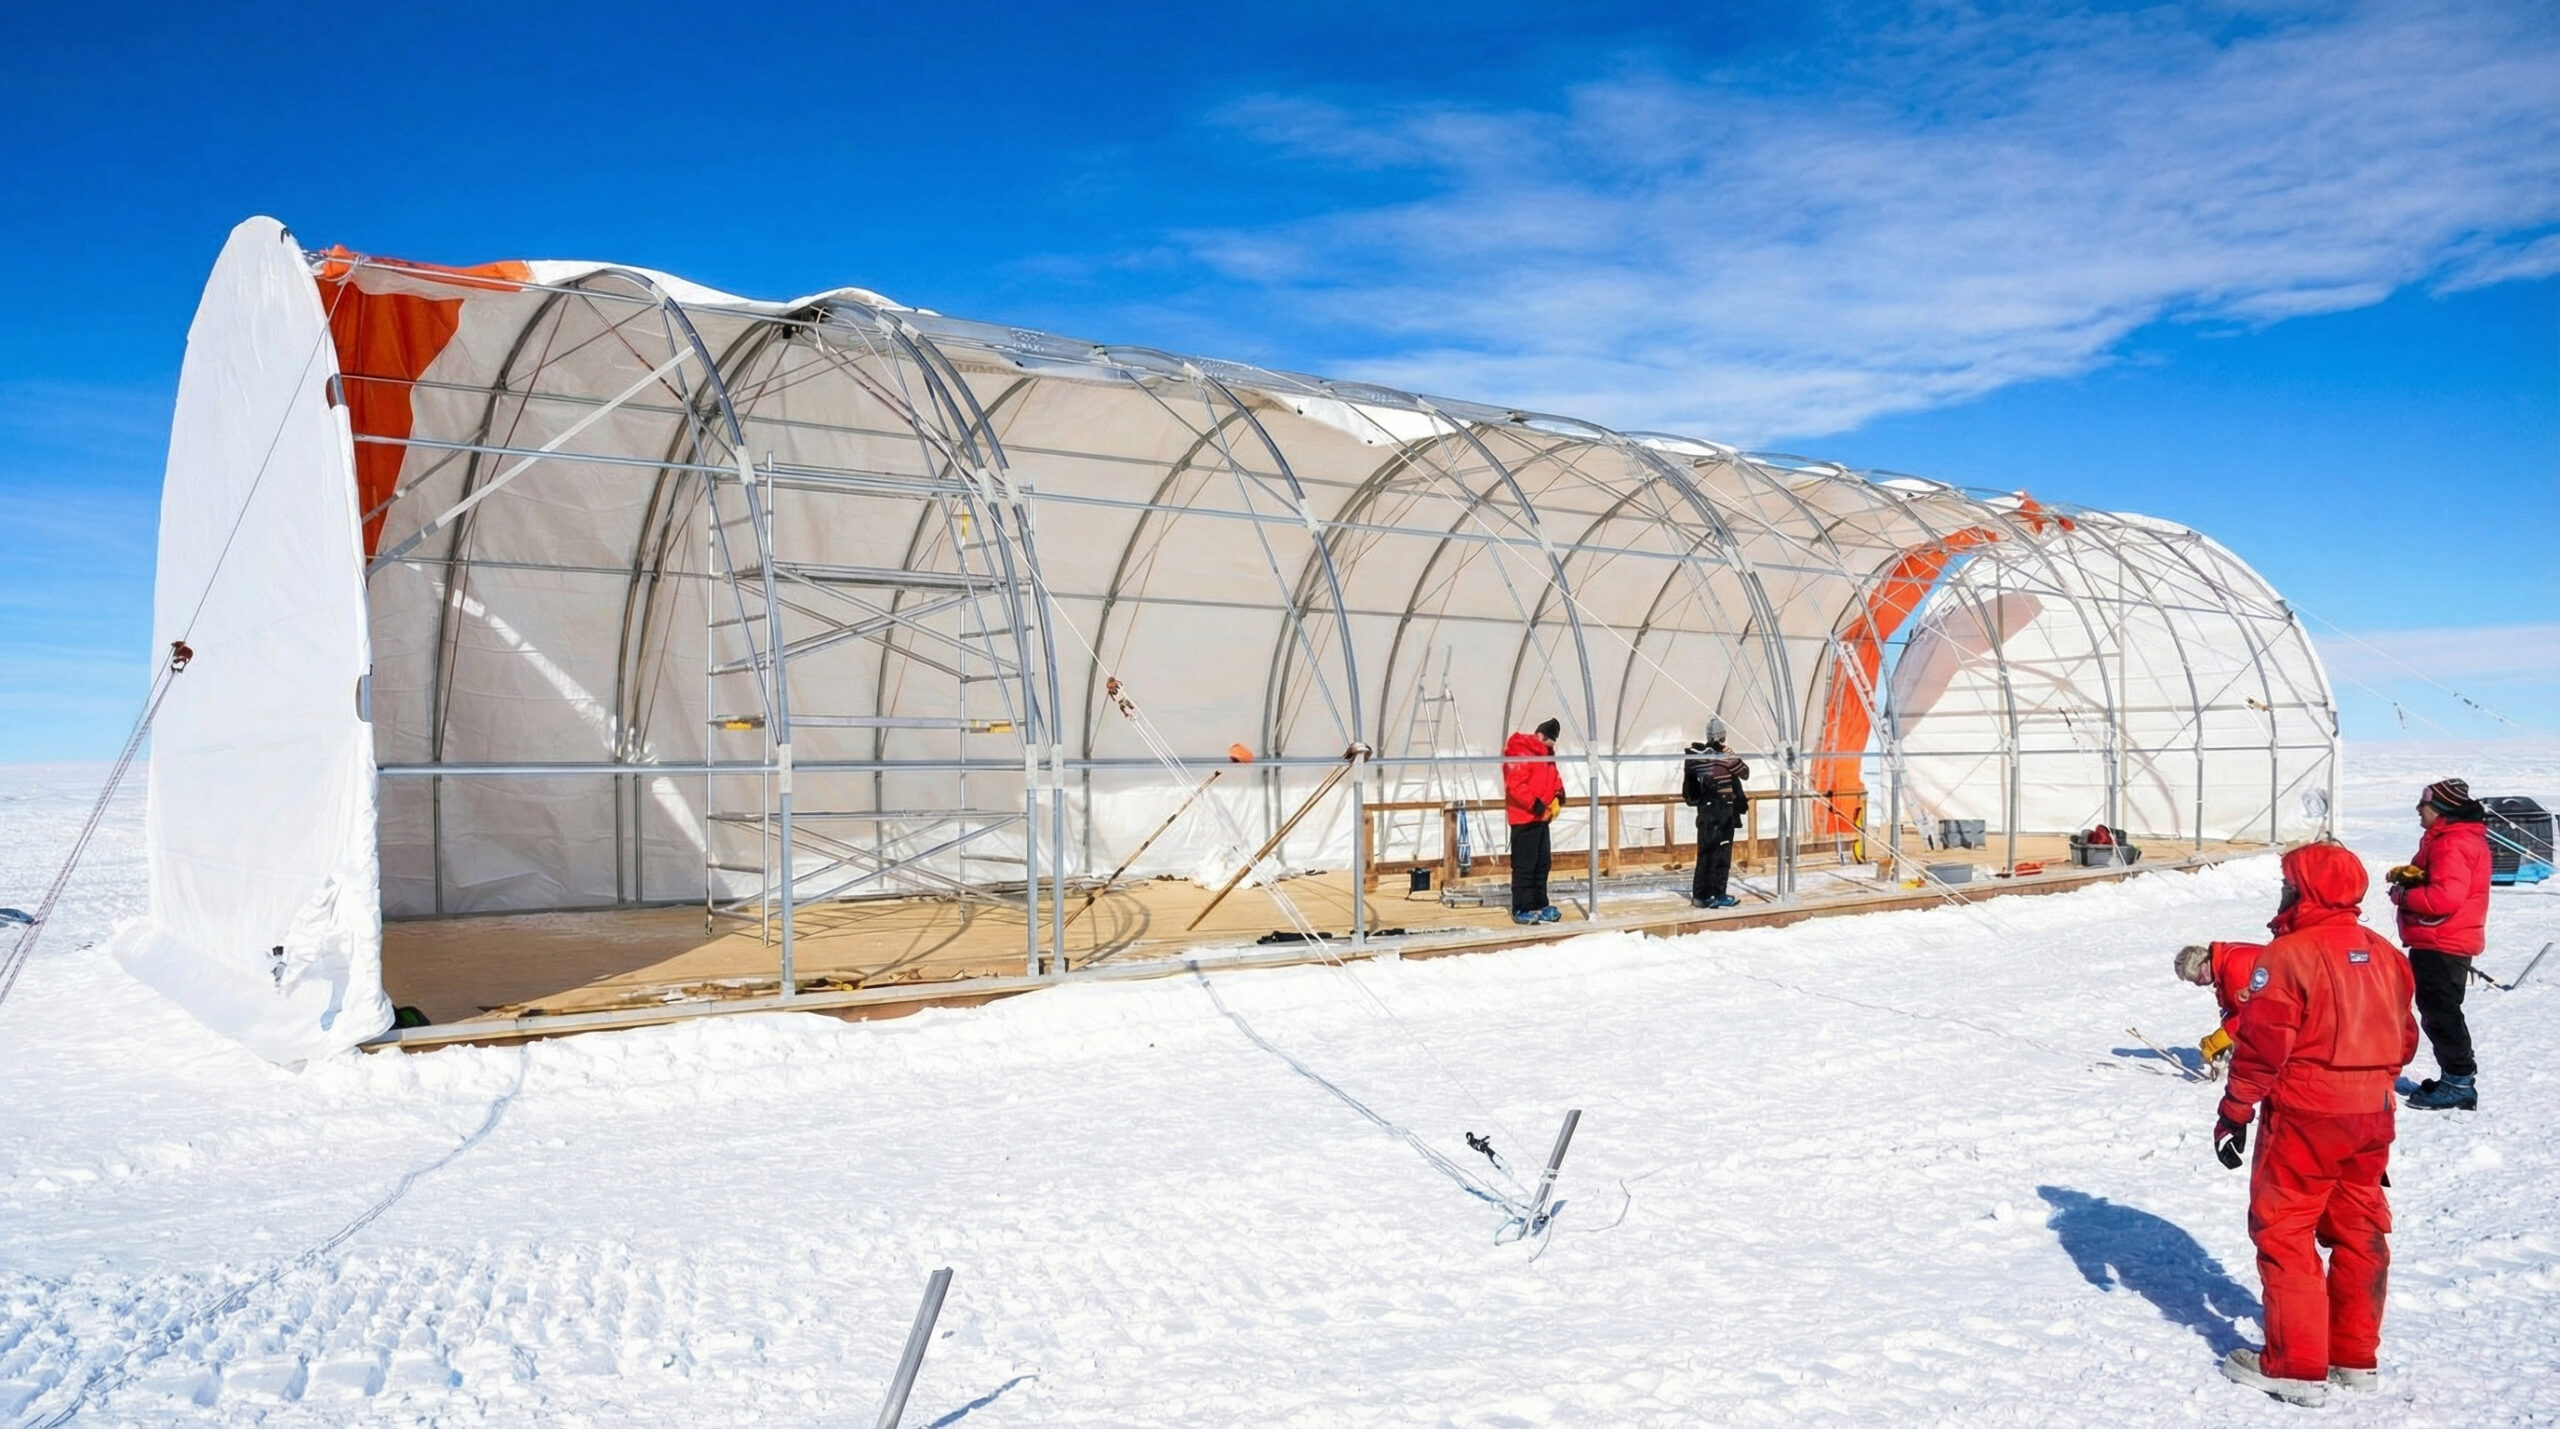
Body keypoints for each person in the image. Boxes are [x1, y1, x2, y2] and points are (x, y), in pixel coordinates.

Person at [2210, 841, 2417, 1408]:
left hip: (2306, 1116)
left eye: (2287, 883)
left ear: (2303, 891)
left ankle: (2295, 1365)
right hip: (2372, 1116)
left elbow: (2260, 1048)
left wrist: (2235, 1110)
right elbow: (2406, 1040)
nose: (2281, 893)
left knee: (2285, 1229)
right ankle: (2354, 1358)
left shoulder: (2288, 956)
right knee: (2358, 1228)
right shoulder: (2386, 954)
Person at [2389, 778, 2491, 1112]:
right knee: (2439, 1011)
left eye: (2425, 804)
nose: (2419, 809)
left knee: (2441, 1013)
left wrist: (2404, 895)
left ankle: (2458, 1082)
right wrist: (2415, 876)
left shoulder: (2452, 843)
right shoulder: (2450, 840)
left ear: (2442, 809)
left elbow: (2445, 897)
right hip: (2442, 940)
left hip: (2443, 942)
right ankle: (2455, 1077)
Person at [1680, 718, 1750, 909]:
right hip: (1715, 809)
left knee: (1714, 852)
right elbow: (1743, 772)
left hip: (1716, 810)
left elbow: (1742, 773)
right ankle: (1709, 894)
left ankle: (1710, 894)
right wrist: (1726, 756)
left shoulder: (1709, 758)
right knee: (1714, 852)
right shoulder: (1711, 758)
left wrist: (1728, 757)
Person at [1503, 718, 1566, 925]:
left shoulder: (1547, 755)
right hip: (1525, 819)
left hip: (1542, 818)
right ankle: (1522, 906)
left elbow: (1553, 777)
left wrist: (1559, 793)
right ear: (1541, 735)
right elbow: (1516, 785)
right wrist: (1536, 804)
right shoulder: (1521, 752)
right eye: (1550, 741)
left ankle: (1540, 903)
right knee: (1525, 865)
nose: (1552, 747)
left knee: (1542, 864)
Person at [2173, 938, 2262, 1076]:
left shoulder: (2233, 970)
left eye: (2196, 978)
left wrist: (2221, 1039)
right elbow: (2233, 1007)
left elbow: (2248, 1015)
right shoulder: (2224, 959)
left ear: (2202, 965)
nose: (2197, 984)